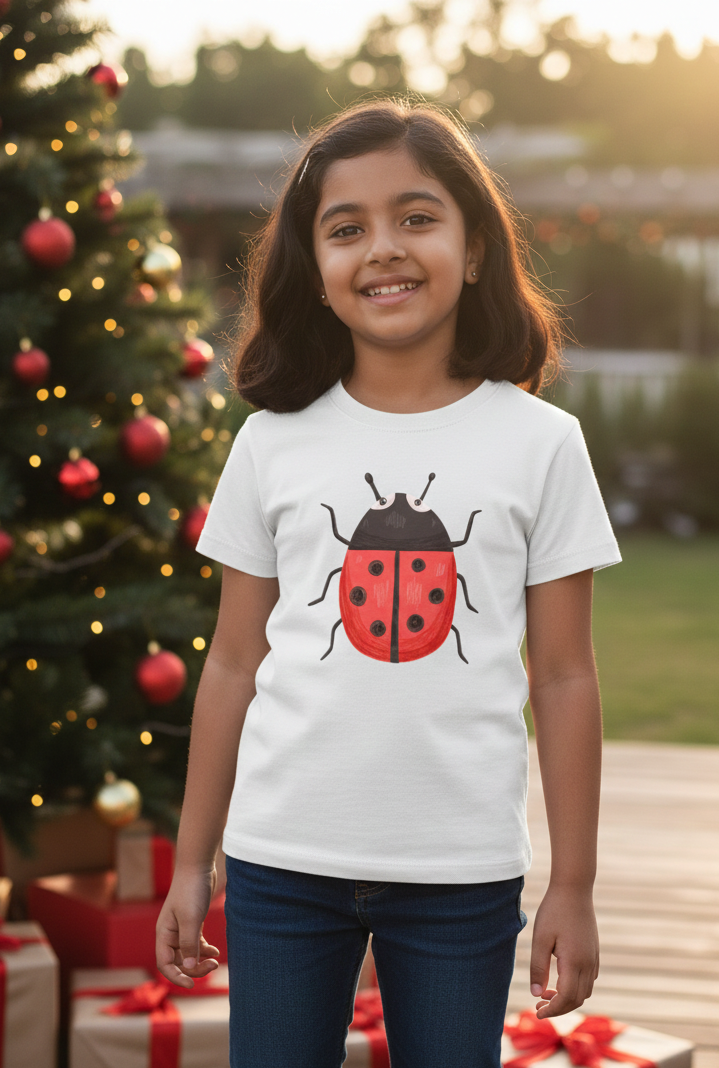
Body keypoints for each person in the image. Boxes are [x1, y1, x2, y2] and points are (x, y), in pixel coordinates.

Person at [155, 98, 621, 1068]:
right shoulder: (271, 443)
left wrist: (573, 886)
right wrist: (192, 862)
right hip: (281, 863)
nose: (383, 249)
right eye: (346, 229)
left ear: (475, 248)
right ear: (315, 271)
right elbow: (233, 663)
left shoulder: (543, 445)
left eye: (416, 217)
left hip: (461, 872)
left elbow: (565, 675)